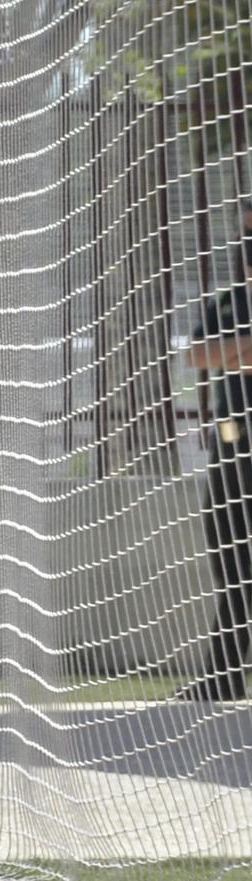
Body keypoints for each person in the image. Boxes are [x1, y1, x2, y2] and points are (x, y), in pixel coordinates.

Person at [179, 197, 252, 703]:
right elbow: (197, 354)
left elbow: (220, 354)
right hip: (232, 441)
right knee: (230, 557)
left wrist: (235, 351)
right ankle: (222, 678)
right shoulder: (228, 301)